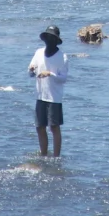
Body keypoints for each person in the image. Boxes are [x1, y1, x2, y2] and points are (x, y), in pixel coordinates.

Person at [28, 24, 68, 157]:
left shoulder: (62, 57)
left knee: (54, 127)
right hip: (40, 95)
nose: (49, 40)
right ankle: (43, 154)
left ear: (56, 40)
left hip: (54, 97)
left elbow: (63, 79)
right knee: (39, 127)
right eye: (47, 37)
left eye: (52, 38)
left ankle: (56, 157)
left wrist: (50, 73)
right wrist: (32, 70)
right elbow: (30, 73)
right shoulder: (38, 53)